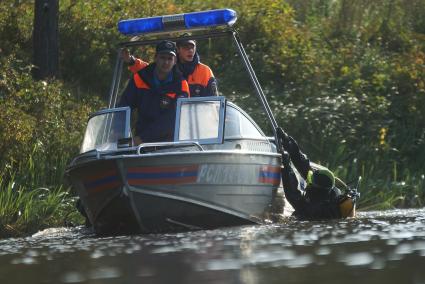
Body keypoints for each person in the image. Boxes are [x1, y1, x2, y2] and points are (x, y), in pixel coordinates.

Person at [118, 40, 190, 145]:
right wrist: (117, 132)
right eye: (162, 58)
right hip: (140, 144)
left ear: (175, 61)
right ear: (155, 58)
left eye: (170, 59)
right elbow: (123, 108)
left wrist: (142, 138)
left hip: (171, 145)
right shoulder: (140, 78)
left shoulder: (181, 85)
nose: (166, 62)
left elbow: (174, 118)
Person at [277, 128, 358, 220]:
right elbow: (303, 165)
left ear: (316, 187)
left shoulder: (312, 208)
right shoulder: (333, 194)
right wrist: (287, 140)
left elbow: (292, 194)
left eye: (312, 180)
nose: (309, 180)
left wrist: (287, 167)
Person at [123, 37, 218, 97]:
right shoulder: (169, 65)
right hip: (172, 120)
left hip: (198, 123)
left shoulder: (205, 71)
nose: (190, 50)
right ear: (178, 49)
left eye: (192, 47)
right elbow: (147, 70)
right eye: (186, 47)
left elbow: (214, 101)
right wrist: (131, 61)